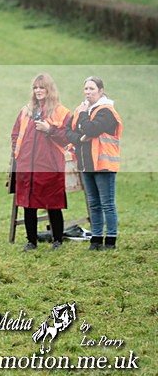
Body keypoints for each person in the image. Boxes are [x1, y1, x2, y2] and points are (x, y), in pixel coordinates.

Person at [10, 74, 72, 252]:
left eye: (42, 87)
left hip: (50, 166)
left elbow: (67, 138)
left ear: (49, 90)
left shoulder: (61, 112)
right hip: (26, 165)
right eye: (35, 88)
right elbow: (15, 134)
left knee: (53, 204)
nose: (38, 91)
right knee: (29, 205)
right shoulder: (26, 111)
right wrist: (18, 154)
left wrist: (49, 129)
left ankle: (58, 241)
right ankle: (31, 242)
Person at [65, 76, 122, 251]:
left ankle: (110, 241)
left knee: (107, 204)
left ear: (101, 91)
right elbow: (68, 131)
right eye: (86, 89)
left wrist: (83, 117)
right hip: (86, 164)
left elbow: (91, 128)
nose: (88, 92)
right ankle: (95, 240)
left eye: (92, 89)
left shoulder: (106, 111)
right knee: (93, 203)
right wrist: (81, 138)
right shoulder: (83, 110)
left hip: (103, 164)